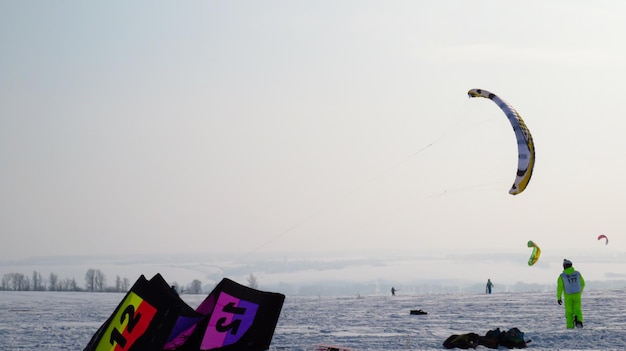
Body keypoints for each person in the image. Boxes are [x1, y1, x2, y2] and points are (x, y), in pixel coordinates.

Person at [557, 259, 585, 329]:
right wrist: (579, 292)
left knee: (569, 312)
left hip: (568, 296)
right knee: (577, 309)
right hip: (577, 295)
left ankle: (570, 327)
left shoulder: (562, 276)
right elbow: (583, 284)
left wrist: (559, 298)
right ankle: (579, 321)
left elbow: (559, 288)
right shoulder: (577, 273)